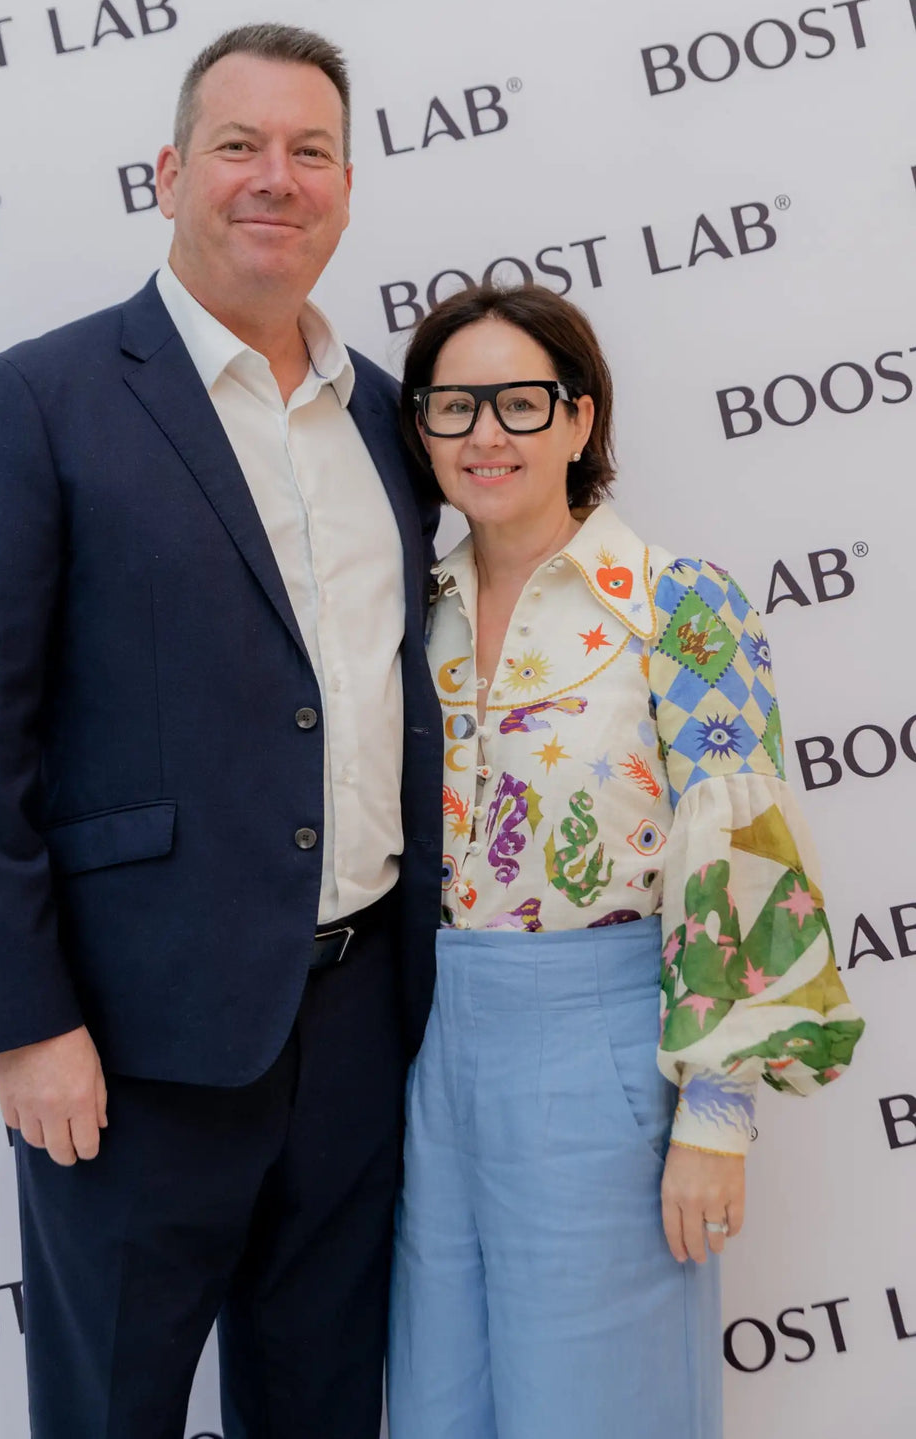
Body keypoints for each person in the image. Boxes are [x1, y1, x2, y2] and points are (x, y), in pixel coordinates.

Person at [0, 22, 442, 1439]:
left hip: (358, 1024)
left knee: (321, 1405)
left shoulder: (386, 416)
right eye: (239, 146)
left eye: (308, 150)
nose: (277, 177)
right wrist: (28, 1017)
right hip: (129, 1045)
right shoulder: (38, 402)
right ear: (168, 173)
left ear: (346, 183)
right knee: (109, 1408)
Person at [387, 283, 863, 1439]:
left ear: (580, 419)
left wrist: (715, 1114)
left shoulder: (676, 604)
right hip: (420, 1050)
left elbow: (739, 858)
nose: (486, 433)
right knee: (438, 1401)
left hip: (600, 1045)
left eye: (519, 401)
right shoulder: (407, 609)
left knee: (598, 1407)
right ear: (421, 429)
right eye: (455, 406)